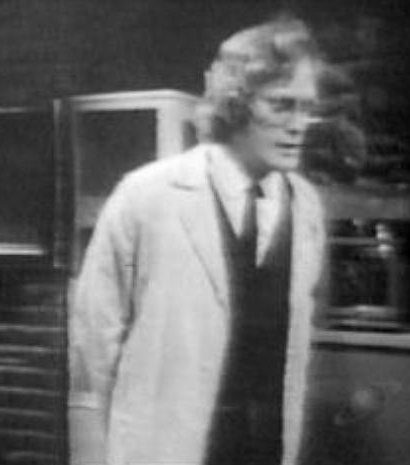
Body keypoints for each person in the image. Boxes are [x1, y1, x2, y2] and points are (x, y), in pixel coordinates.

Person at [69, 16, 327, 465]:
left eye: (307, 108)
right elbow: (96, 341)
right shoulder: (147, 196)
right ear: (235, 102)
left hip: (264, 449)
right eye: (282, 105)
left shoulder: (305, 206)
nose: (298, 125)